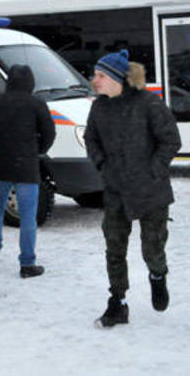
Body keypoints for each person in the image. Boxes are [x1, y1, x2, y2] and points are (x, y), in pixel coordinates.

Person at [84, 49, 181, 329]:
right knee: (114, 248)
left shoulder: (149, 103)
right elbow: (91, 140)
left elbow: (170, 140)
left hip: (151, 190)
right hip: (115, 189)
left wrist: (153, 171)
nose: (95, 80)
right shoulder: (99, 107)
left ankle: (158, 276)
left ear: (116, 78)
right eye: (96, 75)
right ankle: (118, 302)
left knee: (152, 249)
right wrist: (103, 165)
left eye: (101, 75)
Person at [0, 64, 56, 278]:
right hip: (27, 167)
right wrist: (38, 151)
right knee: (28, 217)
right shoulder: (37, 104)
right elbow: (50, 133)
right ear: (31, 83)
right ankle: (27, 263)